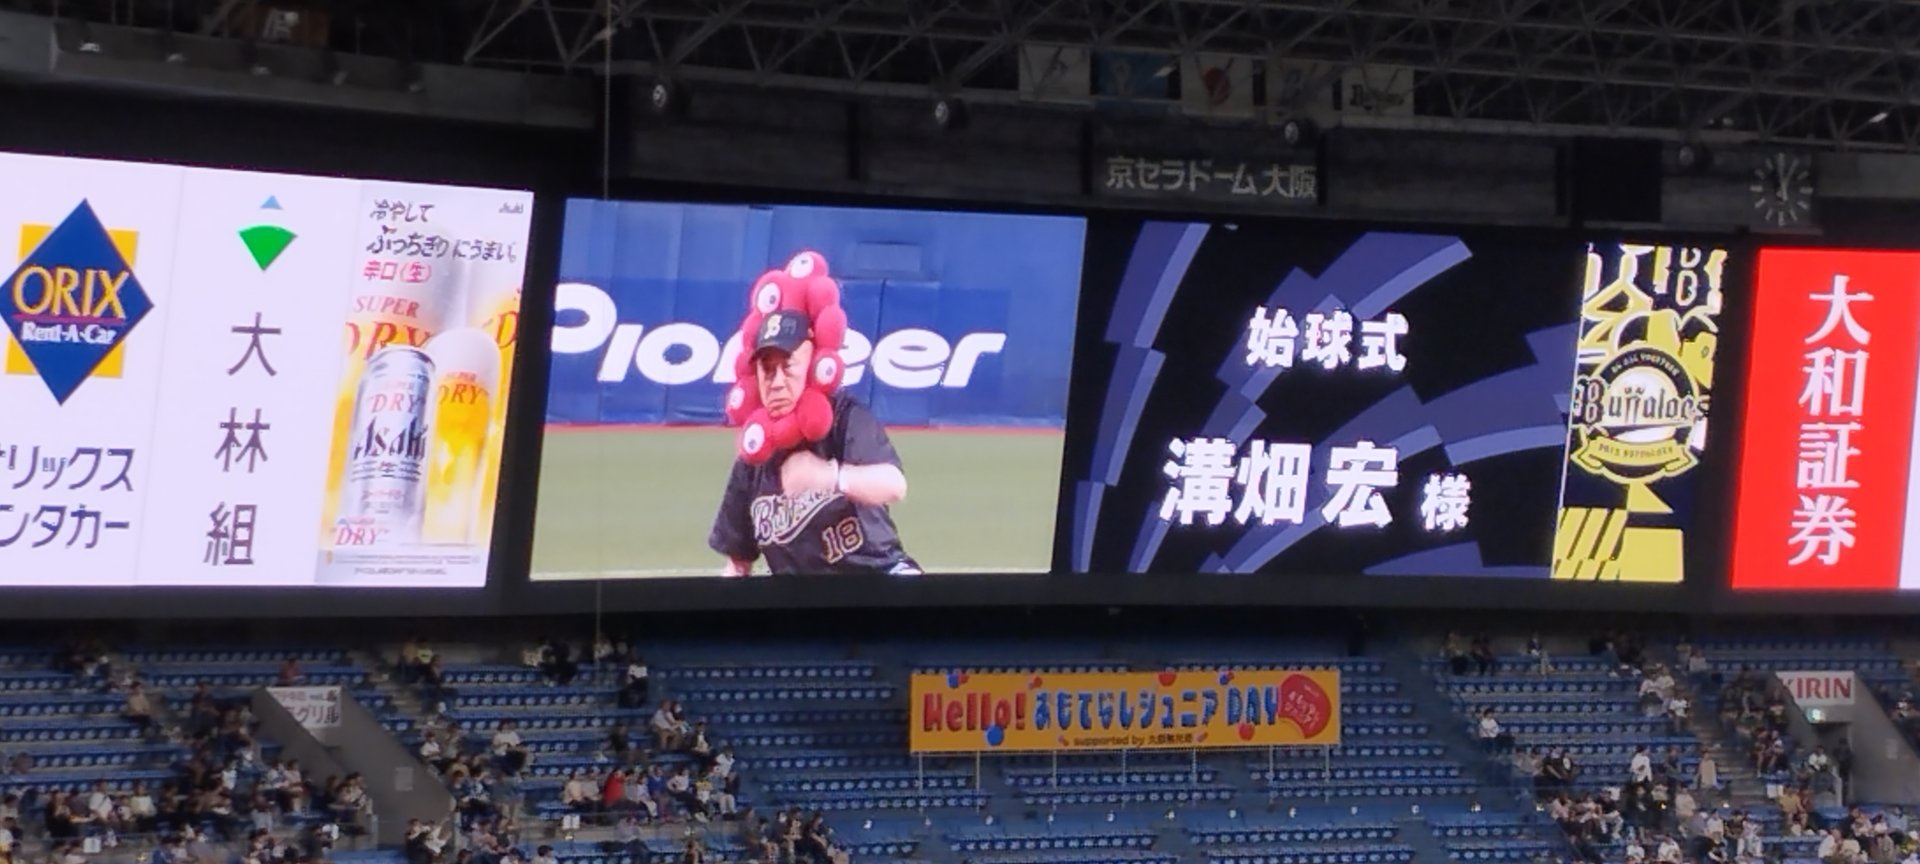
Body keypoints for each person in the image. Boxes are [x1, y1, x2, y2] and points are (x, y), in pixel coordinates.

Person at [709, 309, 919, 576]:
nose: (777, 382)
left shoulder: (844, 417)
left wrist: (828, 476)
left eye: (788, 367)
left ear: (811, 368)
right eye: (768, 370)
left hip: (877, 574)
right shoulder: (755, 450)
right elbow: (738, 563)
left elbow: (894, 485)